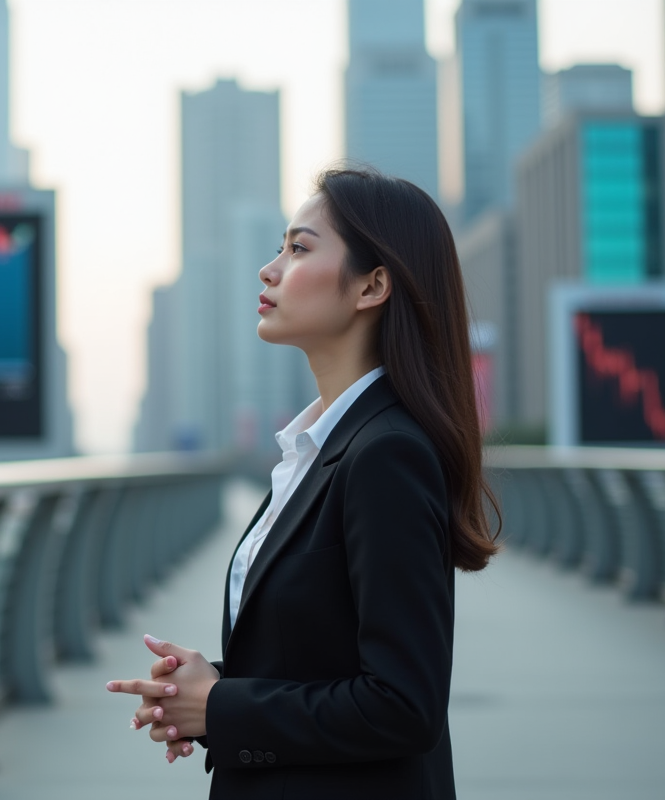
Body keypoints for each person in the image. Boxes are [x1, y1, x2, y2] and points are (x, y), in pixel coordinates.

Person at [105, 167, 500, 799]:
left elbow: (403, 704)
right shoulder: (315, 451)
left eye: (298, 248)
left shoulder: (386, 455)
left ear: (372, 286)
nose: (269, 269)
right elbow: (322, 662)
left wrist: (223, 709)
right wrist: (207, 693)